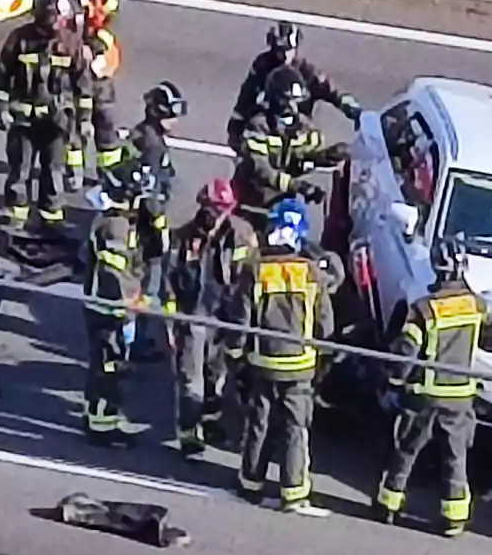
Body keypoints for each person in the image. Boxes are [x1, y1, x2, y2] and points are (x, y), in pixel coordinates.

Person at [372, 237, 492, 538]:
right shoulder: (477, 306)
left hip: (424, 395)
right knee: (455, 457)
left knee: (406, 449)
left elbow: (405, 354)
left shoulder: (424, 310)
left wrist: (393, 382)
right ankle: (454, 519)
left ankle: (388, 505)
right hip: (461, 397)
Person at [224, 197, 334, 515]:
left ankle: (250, 483)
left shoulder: (255, 270)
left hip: (263, 364)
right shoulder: (311, 272)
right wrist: (324, 359)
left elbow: (240, 321)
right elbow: (326, 324)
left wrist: (235, 357)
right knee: (295, 428)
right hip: (301, 366)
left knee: (259, 422)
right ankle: (294, 492)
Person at [163, 179, 258, 459]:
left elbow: (250, 276)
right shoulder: (182, 237)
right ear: (203, 205)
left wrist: (245, 320)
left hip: (225, 317)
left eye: (224, 209)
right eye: (215, 208)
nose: (218, 215)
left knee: (217, 373)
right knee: (190, 377)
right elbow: (168, 280)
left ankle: (211, 418)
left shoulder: (242, 234)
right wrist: (170, 320)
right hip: (193, 317)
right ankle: (190, 434)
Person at [0, 0, 93, 231]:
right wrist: (1, 109)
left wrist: (84, 121)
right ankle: (16, 217)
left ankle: (52, 220)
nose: (58, 23)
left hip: (56, 125)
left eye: (61, 18)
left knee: (53, 173)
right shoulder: (20, 40)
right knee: (20, 172)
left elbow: (83, 87)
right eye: (54, 18)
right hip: (24, 123)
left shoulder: (71, 44)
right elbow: (3, 77)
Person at [36, 0, 123, 191]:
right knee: (72, 123)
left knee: (105, 119)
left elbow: (108, 15)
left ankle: (109, 171)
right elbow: (49, 34)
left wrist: (97, 44)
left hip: (97, 68)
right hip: (69, 72)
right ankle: (74, 170)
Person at [81, 162, 154, 446]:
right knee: (108, 367)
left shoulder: (116, 222)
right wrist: (129, 306)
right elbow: (114, 275)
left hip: (105, 307)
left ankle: (99, 414)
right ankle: (101, 427)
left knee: (105, 364)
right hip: (108, 310)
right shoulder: (116, 228)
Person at [225, 21, 361, 151]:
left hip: (297, 137)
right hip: (268, 132)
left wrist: (356, 112)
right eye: (280, 50)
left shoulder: (307, 73)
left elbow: (334, 93)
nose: (284, 56)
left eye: (288, 50)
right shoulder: (262, 66)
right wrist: (236, 124)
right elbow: (247, 94)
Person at [122, 83, 185, 359]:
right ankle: (133, 343)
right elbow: (149, 193)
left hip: (135, 223)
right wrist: (160, 228)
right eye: (172, 114)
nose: (176, 120)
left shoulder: (143, 135)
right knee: (145, 287)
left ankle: (132, 338)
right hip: (143, 230)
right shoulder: (152, 146)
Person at [232, 65, 335, 229]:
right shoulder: (258, 126)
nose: (296, 107)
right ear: (279, 101)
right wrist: (296, 185)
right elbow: (261, 169)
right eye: (291, 102)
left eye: (298, 102)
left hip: (280, 205)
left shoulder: (302, 125)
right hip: (251, 204)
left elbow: (313, 147)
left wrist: (329, 155)